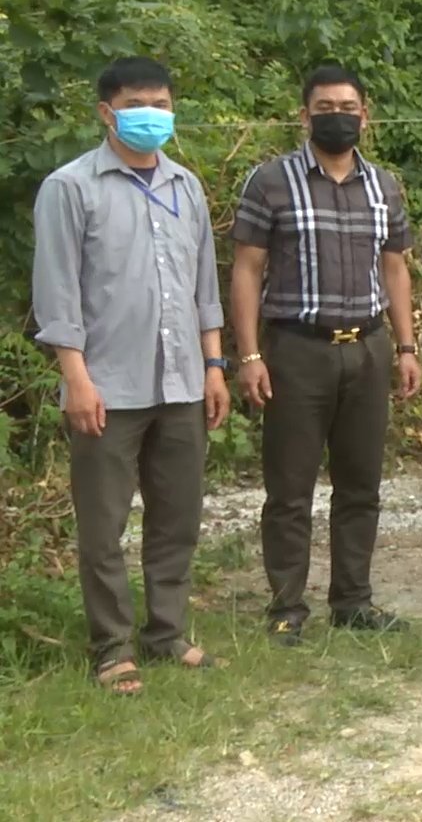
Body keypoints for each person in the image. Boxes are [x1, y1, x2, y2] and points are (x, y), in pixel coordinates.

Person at [32, 57, 230, 695]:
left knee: (177, 517)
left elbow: (205, 286)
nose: (154, 115)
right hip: (106, 387)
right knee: (104, 524)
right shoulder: (71, 187)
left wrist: (215, 365)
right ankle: (112, 647)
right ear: (106, 112)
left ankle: (167, 632)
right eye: (139, 103)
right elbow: (57, 291)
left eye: (163, 104)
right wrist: (76, 378)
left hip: (182, 384)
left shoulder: (185, 187)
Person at [231, 65, 422, 645]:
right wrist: (248, 355)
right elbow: (247, 268)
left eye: (348, 105)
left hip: (366, 348)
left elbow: (395, 267)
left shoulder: (383, 185)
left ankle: (353, 600)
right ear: (304, 114)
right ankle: (287, 606)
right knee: (289, 488)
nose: (336, 114)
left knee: (361, 483)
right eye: (324, 105)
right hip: (297, 351)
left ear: (365, 114)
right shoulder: (270, 181)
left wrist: (407, 345)